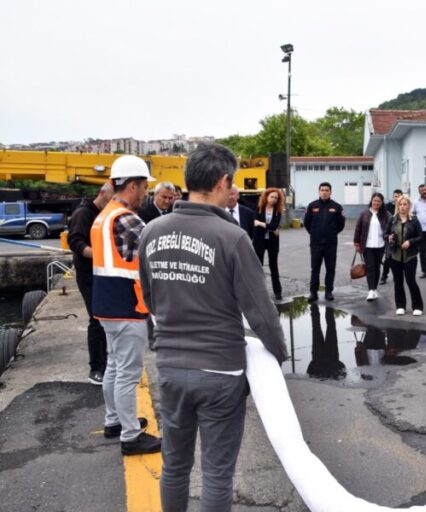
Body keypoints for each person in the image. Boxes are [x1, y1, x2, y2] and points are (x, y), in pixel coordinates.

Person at [138, 142, 288, 511]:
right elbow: (261, 312)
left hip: (171, 366)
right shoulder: (232, 237)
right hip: (221, 369)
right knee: (217, 474)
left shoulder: (152, 232)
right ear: (223, 182)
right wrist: (278, 354)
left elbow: (151, 299)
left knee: (174, 466)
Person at [90, 155, 160, 455]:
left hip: (106, 304)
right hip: (127, 305)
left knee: (115, 368)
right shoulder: (127, 218)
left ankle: (115, 421)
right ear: (132, 184)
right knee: (128, 373)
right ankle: (131, 437)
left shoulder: (104, 215)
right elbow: (156, 249)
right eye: (144, 186)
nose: (146, 192)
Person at [67, 181, 113, 385]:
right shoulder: (83, 214)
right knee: (96, 319)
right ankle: (96, 369)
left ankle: (106, 362)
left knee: (105, 318)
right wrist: (99, 255)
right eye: (111, 198)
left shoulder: (105, 213)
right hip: (88, 274)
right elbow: (75, 242)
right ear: (102, 193)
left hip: (102, 272)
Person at [304, 182, 345, 301]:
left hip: (331, 243)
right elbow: (307, 223)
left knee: (330, 268)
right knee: (315, 269)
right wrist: (315, 233)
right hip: (316, 243)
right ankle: (313, 292)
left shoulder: (337, 207)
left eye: (327, 190)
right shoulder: (312, 206)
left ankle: (328, 292)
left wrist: (331, 233)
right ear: (319, 191)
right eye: (322, 190)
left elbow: (341, 225)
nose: (324, 192)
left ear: (331, 192)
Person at [385, 195, 424, 316]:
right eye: (400, 204)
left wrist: (410, 242)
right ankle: (400, 305)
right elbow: (385, 235)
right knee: (398, 281)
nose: (402, 207)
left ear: (409, 206)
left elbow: (421, 236)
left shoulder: (414, 220)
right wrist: (389, 237)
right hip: (395, 255)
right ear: (397, 206)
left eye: (405, 204)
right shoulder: (392, 219)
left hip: (410, 256)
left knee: (411, 280)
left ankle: (417, 306)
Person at [353, 192, 391, 302]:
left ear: (381, 202)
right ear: (371, 201)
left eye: (379, 201)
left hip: (380, 245)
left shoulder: (386, 214)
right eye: (375, 200)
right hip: (367, 245)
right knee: (370, 267)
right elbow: (358, 228)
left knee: (377, 267)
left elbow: (390, 227)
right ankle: (370, 291)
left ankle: (375, 289)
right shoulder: (364, 213)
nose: (376, 202)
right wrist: (356, 242)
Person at [254, 187, 285, 301]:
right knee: (258, 267)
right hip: (259, 241)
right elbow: (255, 222)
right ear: (266, 197)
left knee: (274, 267)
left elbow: (274, 226)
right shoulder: (259, 208)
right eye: (272, 197)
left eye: (276, 198)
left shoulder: (278, 211)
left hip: (272, 242)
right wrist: (270, 227)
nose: (274, 199)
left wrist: (261, 224)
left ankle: (278, 292)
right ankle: (258, 292)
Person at [379, 189, 403, 285]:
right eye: (395, 196)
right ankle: (384, 276)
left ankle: (397, 276)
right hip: (389, 235)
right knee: (388, 257)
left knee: (399, 257)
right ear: (393, 197)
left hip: (401, 235)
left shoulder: (403, 206)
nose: (397, 198)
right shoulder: (387, 207)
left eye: (398, 196)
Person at [412, 184, 426, 280]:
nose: (424, 191)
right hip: (421, 231)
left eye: (425, 189)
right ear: (419, 192)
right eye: (422, 190)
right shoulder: (416, 202)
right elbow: (413, 213)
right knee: (422, 253)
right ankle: (425, 271)